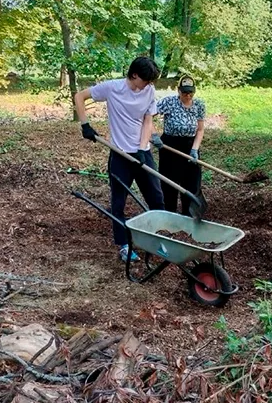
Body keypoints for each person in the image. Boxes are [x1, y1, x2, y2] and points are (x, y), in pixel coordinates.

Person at [75, 57, 163, 262]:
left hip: (142, 153)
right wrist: (85, 125)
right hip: (120, 154)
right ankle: (124, 245)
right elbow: (79, 96)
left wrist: (141, 148)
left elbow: (147, 120)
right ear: (134, 75)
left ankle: (156, 239)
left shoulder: (149, 90)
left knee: (157, 199)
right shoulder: (112, 88)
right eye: (146, 80)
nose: (148, 85)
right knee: (118, 202)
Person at [155, 75, 205, 216]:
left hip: (190, 147)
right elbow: (148, 115)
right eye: (184, 92)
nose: (188, 95)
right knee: (169, 183)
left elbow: (200, 130)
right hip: (170, 147)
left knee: (191, 184)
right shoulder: (169, 102)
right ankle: (169, 215)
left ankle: (188, 216)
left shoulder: (199, 105)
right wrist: (153, 135)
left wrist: (194, 150)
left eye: (191, 92)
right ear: (178, 90)